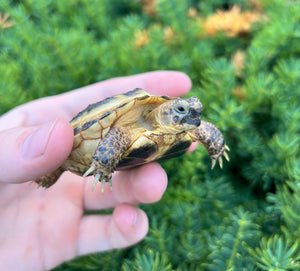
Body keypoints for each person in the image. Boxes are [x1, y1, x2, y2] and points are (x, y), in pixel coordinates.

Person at [0, 71, 192, 270]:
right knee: (54, 169)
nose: (191, 115)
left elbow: (199, 127)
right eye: (181, 109)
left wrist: (214, 143)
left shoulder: (182, 127)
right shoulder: (129, 122)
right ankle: (70, 169)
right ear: (164, 111)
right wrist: (104, 163)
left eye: (194, 112)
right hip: (91, 143)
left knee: (149, 183)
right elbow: (118, 132)